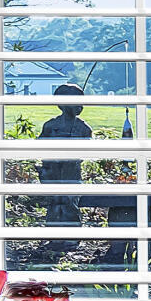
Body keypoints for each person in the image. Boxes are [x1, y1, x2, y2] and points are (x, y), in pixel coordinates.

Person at [34, 84, 133, 228]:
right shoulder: (50, 126)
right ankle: (54, 236)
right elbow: (40, 147)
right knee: (55, 204)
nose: (80, 106)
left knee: (70, 204)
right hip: (53, 174)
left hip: (71, 174)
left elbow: (86, 152)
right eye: (76, 102)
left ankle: (71, 237)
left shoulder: (83, 128)